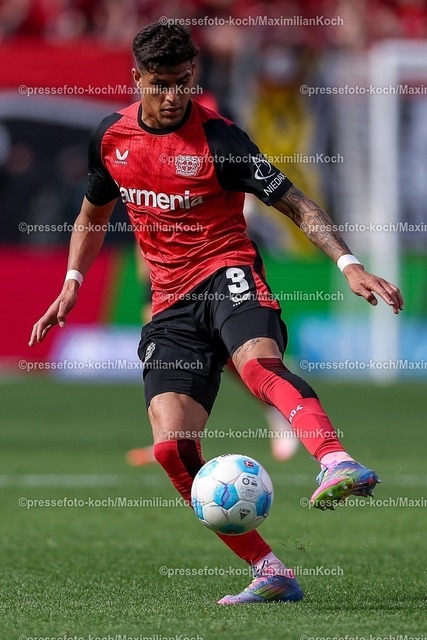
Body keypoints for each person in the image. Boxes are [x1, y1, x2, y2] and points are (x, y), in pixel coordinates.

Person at [29, 22, 404, 605]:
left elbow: (297, 204)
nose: (173, 95)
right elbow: (92, 214)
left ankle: (336, 461)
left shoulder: (222, 141)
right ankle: (270, 570)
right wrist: (72, 281)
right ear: (137, 79)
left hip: (227, 272)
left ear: (194, 76)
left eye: (183, 82)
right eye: (160, 84)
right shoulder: (111, 138)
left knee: (257, 367)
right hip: (170, 303)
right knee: (171, 448)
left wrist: (349, 263)